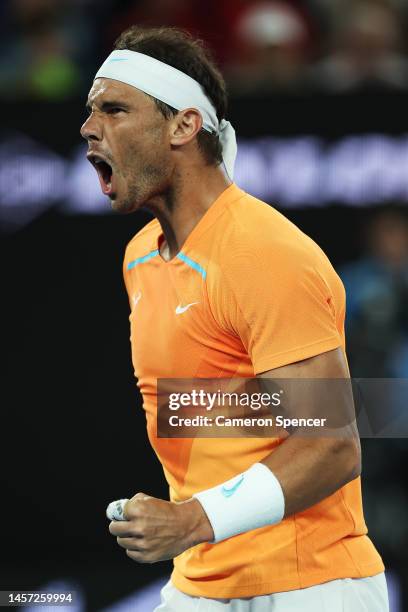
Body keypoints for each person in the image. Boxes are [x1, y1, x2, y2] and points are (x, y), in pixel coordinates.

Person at [81, 26, 389, 611]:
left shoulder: (261, 251)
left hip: (311, 586)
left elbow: (332, 447)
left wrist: (194, 518)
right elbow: (206, 403)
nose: (89, 127)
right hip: (201, 583)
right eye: (91, 111)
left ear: (183, 126)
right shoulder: (141, 257)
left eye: (115, 109)